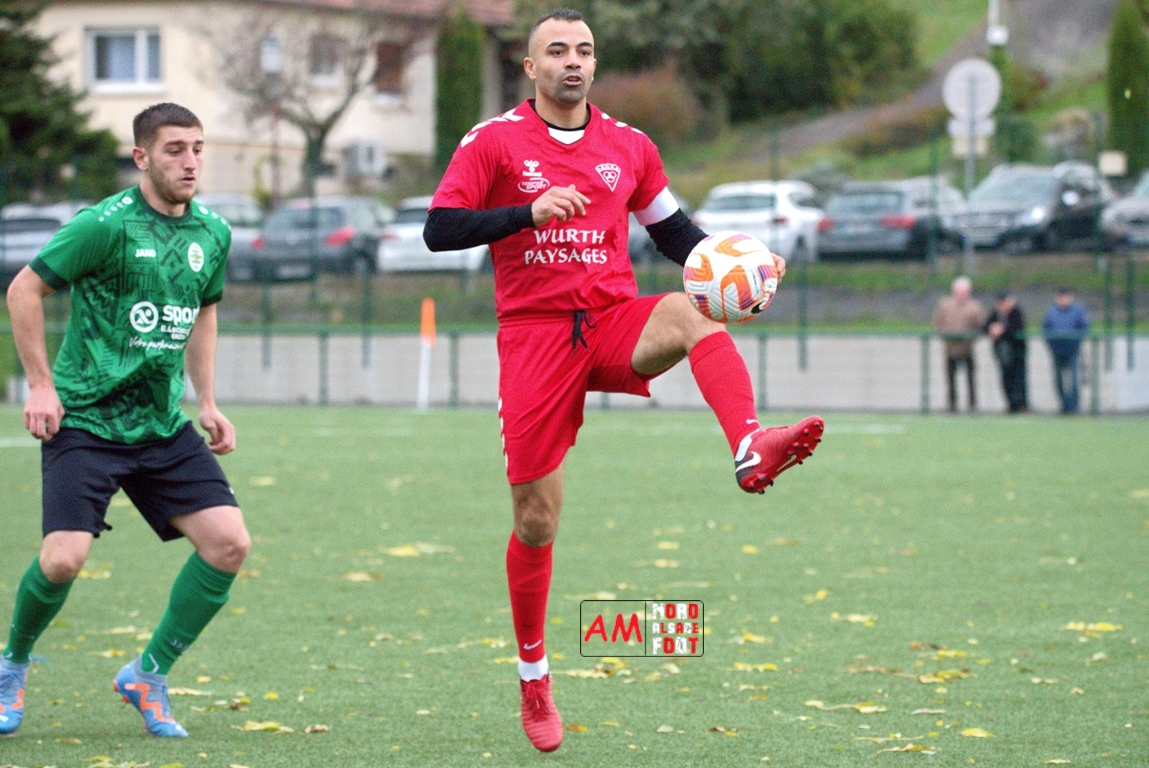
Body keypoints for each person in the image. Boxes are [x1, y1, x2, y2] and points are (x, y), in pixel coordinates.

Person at [423, 9, 823, 753]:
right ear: (530, 68)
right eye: (557, 51)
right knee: (536, 521)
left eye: (583, 50)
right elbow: (438, 228)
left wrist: (747, 268)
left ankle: (749, 445)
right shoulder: (493, 141)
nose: (572, 61)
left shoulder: (629, 146)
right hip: (534, 336)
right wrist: (525, 213)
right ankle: (534, 677)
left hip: (609, 320)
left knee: (692, 309)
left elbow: (677, 237)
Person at [0, 103, 249, 739]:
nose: (190, 161)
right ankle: (12, 665)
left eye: (197, 148)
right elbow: (23, 290)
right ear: (141, 157)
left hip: (161, 424)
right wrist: (41, 385)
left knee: (229, 544)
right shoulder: (103, 225)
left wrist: (207, 401)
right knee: (63, 560)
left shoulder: (213, 232)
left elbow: (203, 311)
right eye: (174, 149)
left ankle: (148, 675)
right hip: (86, 418)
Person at [932, 276, 985, 412]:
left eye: (964, 292)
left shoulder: (974, 306)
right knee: (950, 378)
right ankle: (952, 405)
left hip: (967, 348)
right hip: (950, 348)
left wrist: (972, 337)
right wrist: (945, 335)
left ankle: (972, 405)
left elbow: (981, 325)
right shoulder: (945, 305)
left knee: (970, 378)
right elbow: (938, 323)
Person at [1042, 287, 1090, 414]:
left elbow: (1084, 328)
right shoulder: (1051, 312)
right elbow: (1045, 329)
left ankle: (1074, 408)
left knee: (1074, 380)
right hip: (1056, 351)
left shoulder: (1078, 311)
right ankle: (1064, 406)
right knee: (1058, 380)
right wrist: (1052, 345)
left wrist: (1076, 343)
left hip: (1072, 350)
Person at [986, 292, 1028, 413]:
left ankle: (1022, 405)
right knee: (1006, 379)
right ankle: (1011, 405)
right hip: (1003, 354)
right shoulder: (995, 314)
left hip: (1017, 353)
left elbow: (1018, 327)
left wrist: (1002, 330)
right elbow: (986, 326)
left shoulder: (1015, 312)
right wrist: (992, 328)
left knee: (1019, 379)